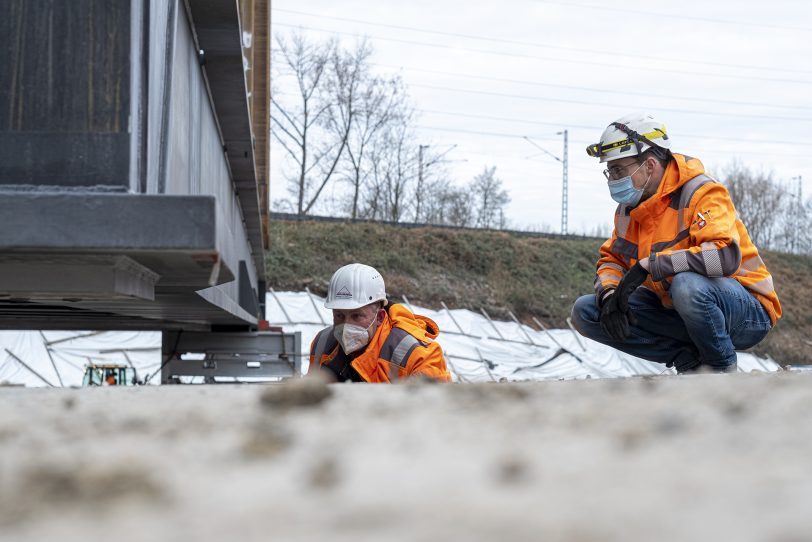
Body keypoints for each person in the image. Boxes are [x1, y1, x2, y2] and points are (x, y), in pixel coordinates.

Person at [571, 112, 781, 373]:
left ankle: (721, 370)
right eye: (609, 171)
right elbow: (611, 260)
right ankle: (688, 362)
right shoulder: (628, 210)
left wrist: (653, 265)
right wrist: (611, 294)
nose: (613, 180)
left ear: (649, 165)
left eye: (618, 170)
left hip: (746, 311)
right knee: (586, 311)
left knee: (687, 284)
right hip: (679, 309)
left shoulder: (702, 193)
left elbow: (724, 257)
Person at [309, 263, 451, 383]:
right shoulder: (322, 344)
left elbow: (437, 411)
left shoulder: (417, 355)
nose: (346, 325)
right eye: (339, 315)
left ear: (380, 317)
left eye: (357, 316)